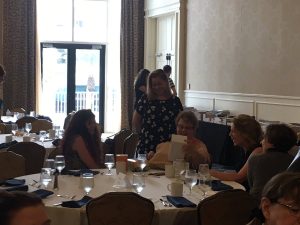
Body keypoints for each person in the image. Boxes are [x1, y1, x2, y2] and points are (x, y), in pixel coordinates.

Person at [132, 69, 183, 159]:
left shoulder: (175, 101)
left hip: (169, 144)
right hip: (147, 143)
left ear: (166, 83)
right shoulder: (145, 99)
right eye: (153, 85)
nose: (156, 87)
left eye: (159, 84)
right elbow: (136, 120)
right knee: (143, 171)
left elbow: (181, 122)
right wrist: (143, 134)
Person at [210, 114, 263, 185]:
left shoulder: (258, 151)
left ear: (245, 134)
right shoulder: (244, 149)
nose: (229, 134)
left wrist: (209, 172)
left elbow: (239, 178)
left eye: (233, 131)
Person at [248, 124, 296, 200]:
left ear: (271, 141)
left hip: (257, 205)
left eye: (264, 138)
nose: (261, 142)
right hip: (285, 205)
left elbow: (251, 185)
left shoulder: (255, 159)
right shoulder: (294, 161)